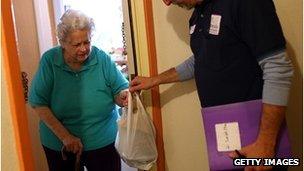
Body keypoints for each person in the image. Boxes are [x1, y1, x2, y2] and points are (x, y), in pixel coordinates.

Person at [129, 0, 294, 170]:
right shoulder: (197, 16)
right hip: (225, 135)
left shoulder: (246, 3)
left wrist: (265, 143)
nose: (167, 2)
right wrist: (154, 80)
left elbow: (278, 68)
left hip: (257, 140)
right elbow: (201, 59)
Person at [29, 9, 128, 171]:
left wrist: (123, 97)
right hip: (60, 143)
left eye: (87, 42)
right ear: (63, 43)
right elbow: (38, 102)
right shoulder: (50, 61)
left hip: (102, 140)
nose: (83, 49)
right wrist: (65, 137)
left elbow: (119, 89)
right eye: (77, 44)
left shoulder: (101, 58)